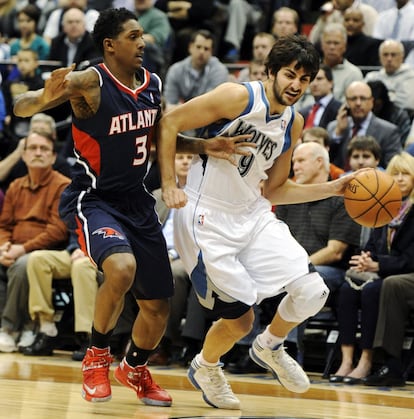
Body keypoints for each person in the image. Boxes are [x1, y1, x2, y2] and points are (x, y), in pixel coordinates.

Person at [13, 7, 252, 405]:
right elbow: (22, 104)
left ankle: (135, 367)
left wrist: (204, 145)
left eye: (142, 35)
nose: (143, 42)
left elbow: (159, 139)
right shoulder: (90, 82)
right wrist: (42, 99)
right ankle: (96, 357)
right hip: (96, 200)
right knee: (120, 268)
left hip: (138, 201)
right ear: (111, 45)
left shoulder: (153, 82)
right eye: (134, 35)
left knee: (158, 307)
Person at [157, 34, 360, 410]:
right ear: (271, 72)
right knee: (240, 321)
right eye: (289, 75)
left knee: (313, 290)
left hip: (251, 213)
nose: (296, 85)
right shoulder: (238, 97)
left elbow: (276, 191)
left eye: (304, 78)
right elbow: (169, 123)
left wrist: (334, 187)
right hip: (206, 216)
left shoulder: (294, 122)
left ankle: (271, 346)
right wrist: (170, 184)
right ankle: (206, 366)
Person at [329, 151, 414, 384]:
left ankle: (366, 360)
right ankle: (346, 360)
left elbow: (410, 259)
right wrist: (364, 260)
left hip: (399, 275)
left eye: (405, 174)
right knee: (347, 290)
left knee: (373, 290)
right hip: (379, 273)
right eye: (394, 174)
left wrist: (378, 265)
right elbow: (370, 247)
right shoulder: (383, 209)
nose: (399, 179)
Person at [0, 129, 70, 353]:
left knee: (23, 265)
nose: (38, 153)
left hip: (46, 250)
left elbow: (57, 231)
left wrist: (22, 249)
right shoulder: (15, 186)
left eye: (44, 149)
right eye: (33, 148)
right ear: (24, 154)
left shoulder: (63, 186)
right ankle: (21, 326)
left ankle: (11, 328)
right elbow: (4, 225)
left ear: (53, 156)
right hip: (15, 248)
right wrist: (4, 246)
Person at [22, 230, 99, 359]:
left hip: (102, 254)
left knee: (81, 267)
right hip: (77, 250)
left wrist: (90, 250)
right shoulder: (80, 209)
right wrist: (76, 248)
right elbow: (76, 229)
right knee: (37, 259)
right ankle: (47, 328)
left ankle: (90, 337)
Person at [327, 80, 402, 170]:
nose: (358, 103)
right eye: (353, 99)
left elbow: (393, 168)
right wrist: (338, 134)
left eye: (363, 98)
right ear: (346, 102)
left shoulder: (388, 131)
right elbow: (327, 161)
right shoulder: (334, 127)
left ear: (371, 102)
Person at [163, 29, 229, 113]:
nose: (201, 52)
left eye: (206, 49)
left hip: (210, 117)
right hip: (183, 117)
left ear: (211, 52)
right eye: (198, 47)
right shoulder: (175, 70)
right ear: (190, 47)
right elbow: (169, 104)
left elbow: (210, 104)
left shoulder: (220, 71)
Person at [364, 39, 414, 116]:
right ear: (380, 57)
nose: (389, 59)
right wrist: (393, 94)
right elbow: (363, 99)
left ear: (402, 56)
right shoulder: (372, 77)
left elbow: (407, 104)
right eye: (385, 54)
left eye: (393, 55)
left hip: (399, 119)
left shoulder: (411, 77)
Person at [320, 22, 363, 102]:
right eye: (328, 42)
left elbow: (350, 104)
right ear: (322, 45)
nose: (332, 47)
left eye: (336, 43)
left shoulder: (353, 73)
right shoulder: (311, 69)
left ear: (344, 46)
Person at [367, 79, 412, 146]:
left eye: (375, 104)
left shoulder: (399, 116)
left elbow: (402, 144)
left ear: (383, 100)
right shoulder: (357, 115)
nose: (372, 107)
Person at [298, 64, 342, 130]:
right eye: (311, 80)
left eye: (319, 79)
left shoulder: (339, 109)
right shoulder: (303, 112)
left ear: (331, 83)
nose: (314, 84)